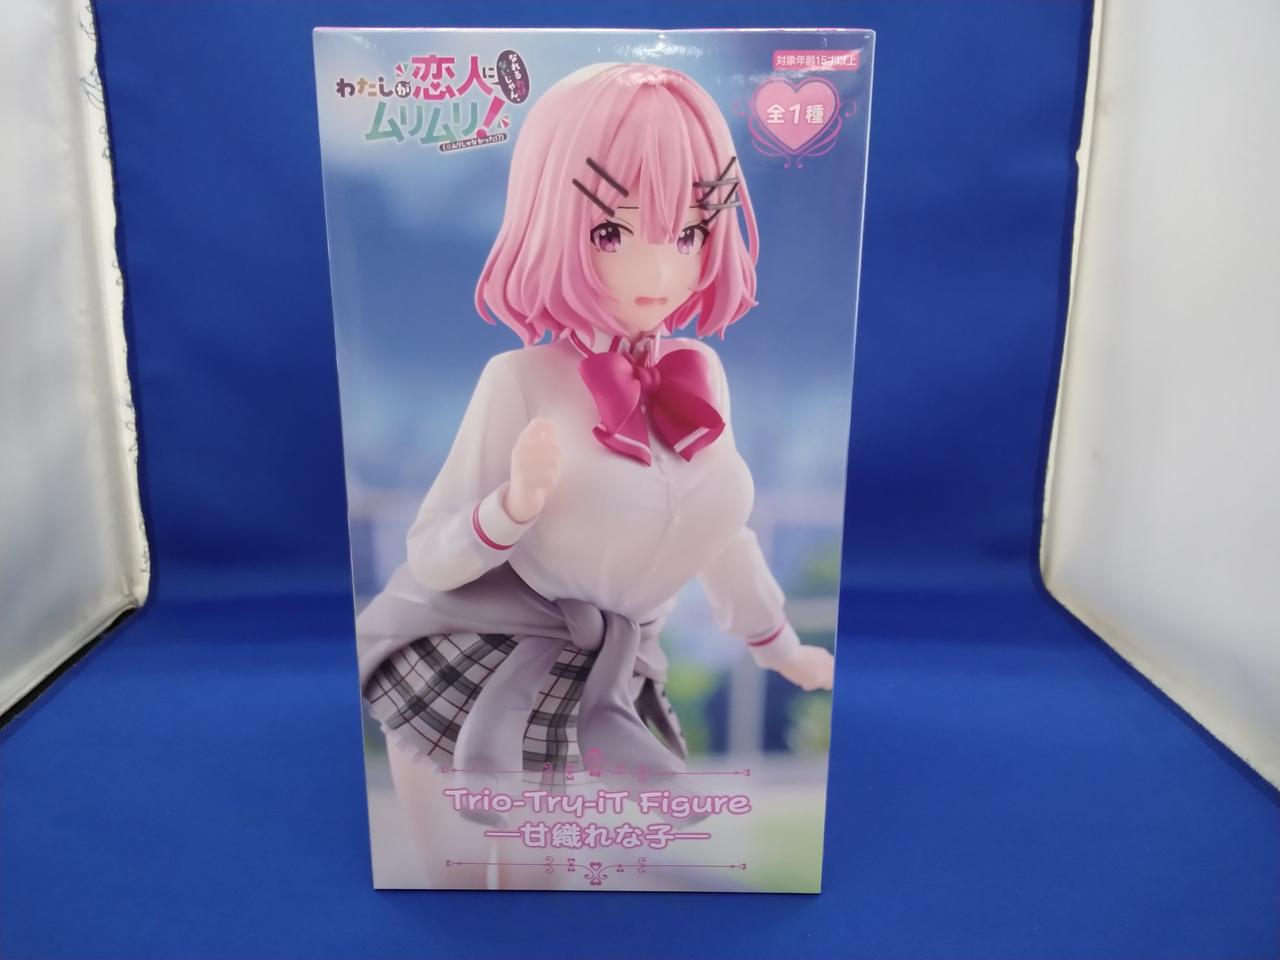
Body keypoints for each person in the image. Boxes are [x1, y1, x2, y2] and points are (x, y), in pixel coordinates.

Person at [355, 62, 834, 886]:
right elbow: (431, 549)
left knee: (551, 881)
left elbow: (719, 531)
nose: (658, 272)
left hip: (603, 681)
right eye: (612, 231)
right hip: (476, 663)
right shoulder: (518, 380)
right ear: (554, 221)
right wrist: (513, 506)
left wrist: (777, 645)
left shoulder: (701, 375)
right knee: (456, 883)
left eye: (688, 232)